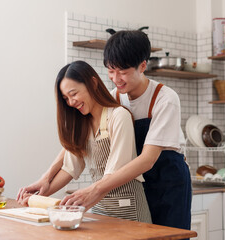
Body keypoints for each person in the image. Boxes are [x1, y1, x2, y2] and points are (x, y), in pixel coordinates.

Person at [17, 30, 191, 231]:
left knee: (171, 235)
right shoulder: (113, 98)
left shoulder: (165, 99)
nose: (116, 78)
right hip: (133, 183)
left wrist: (94, 190)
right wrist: (45, 178)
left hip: (167, 181)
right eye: (110, 70)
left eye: (123, 72)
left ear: (143, 65)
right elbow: (76, 145)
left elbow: (147, 159)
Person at [17, 60, 152, 223]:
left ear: (93, 84)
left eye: (74, 94)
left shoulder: (118, 116)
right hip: (99, 209)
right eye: (66, 98)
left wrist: (85, 194)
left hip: (130, 209)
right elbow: (69, 169)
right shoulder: (83, 124)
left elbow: (114, 172)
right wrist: (39, 194)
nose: (71, 102)